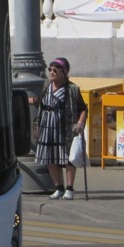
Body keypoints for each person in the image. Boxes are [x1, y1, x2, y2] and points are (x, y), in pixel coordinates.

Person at [35, 56, 88, 200]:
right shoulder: (47, 84)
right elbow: (43, 102)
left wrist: (80, 123)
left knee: (68, 159)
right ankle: (58, 187)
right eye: (50, 70)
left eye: (55, 70)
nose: (51, 72)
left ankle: (69, 189)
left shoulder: (72, 89)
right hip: (47, 127)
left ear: (63, 73)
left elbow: (83, 108)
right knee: (50, 158)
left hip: (64, 128)